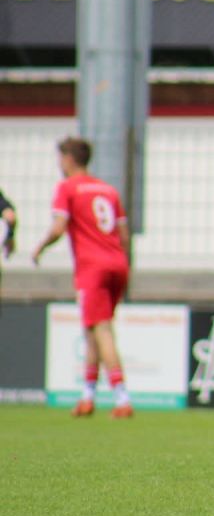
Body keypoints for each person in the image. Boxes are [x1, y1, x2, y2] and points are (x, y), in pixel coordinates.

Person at [31, 137, 133, 419]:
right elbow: (124, 235)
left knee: (102, 329)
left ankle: (122, 398)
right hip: (118, 263)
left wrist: (40, 247)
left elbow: (59, 227)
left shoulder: (67, 188)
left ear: (68, 159)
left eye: (60, 158)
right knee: (92, 330)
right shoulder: (108, 190)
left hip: (92, 267)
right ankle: (88, 396)